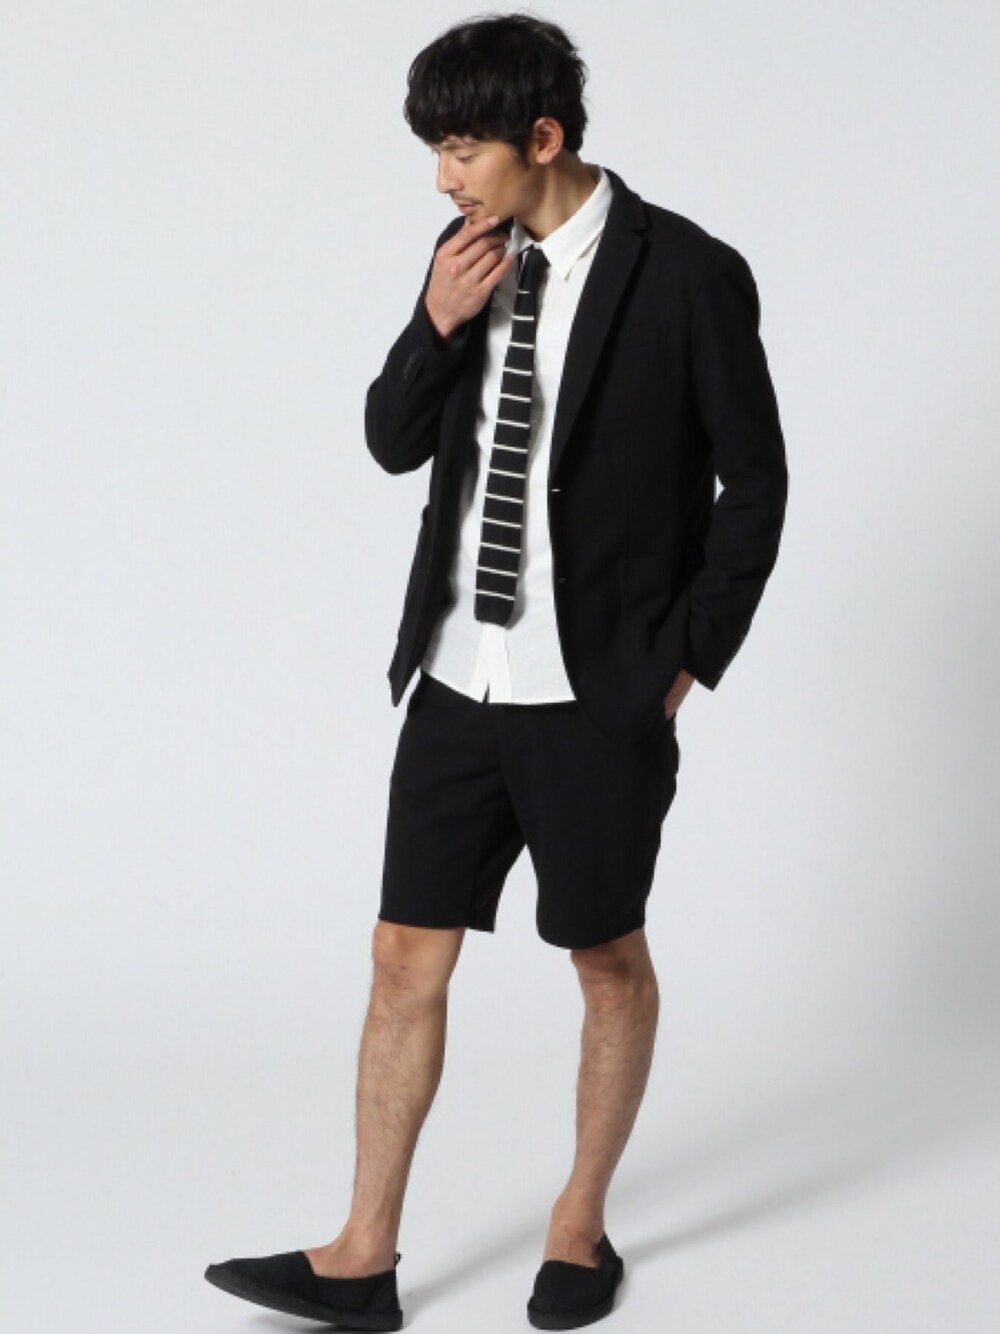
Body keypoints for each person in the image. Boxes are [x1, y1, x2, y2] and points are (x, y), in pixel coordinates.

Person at [204, 12, 788, 1331]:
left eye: (462, 149)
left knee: (604, 959)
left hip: (597, 692)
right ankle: (362, 1255)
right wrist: (434, 320)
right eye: (435, 152)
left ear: (545, 136)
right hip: (460, 675)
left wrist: (686, 658)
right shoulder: (466, 258)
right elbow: (392, 440)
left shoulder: (689, 274)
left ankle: (579, 1226)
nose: (442, 179)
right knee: (401, 957)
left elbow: (754, 482)